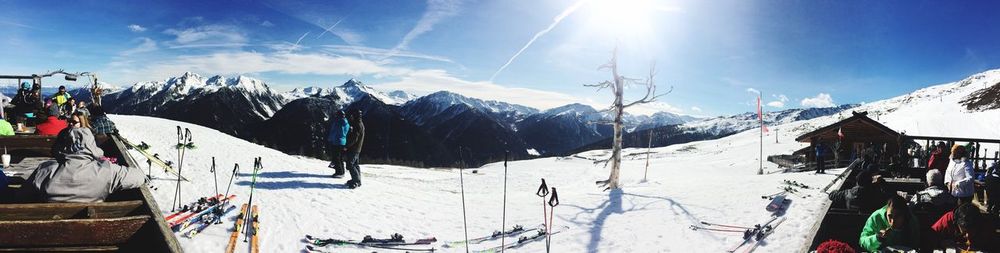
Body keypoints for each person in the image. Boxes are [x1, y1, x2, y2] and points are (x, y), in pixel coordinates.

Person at [18, 128, 146, 202]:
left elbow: (21, 197)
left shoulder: (46, 169)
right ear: (91, 145)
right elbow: (140, 177)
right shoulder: (108, 171)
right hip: (94, 231)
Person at [930, 203, 998, 251]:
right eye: (964, 232)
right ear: (956, 223)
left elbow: (992, 245)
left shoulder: (986, 225)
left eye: (971, 231)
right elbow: (930, 237)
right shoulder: (947, 220)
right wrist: (941, 243)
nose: (967, 235)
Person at [344, 109, 365, 189]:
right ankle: (357, 180)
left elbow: (354, 138)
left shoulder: (357, 124)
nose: (351, 117)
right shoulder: (360, 123)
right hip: (358, 148)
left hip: (354, 148)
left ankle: (356, 181)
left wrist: (347, 146)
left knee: (350, 164)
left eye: (353, 115)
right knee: (355, 164)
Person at [326, 110, 350, 178]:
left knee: (337, 157)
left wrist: (330, 139)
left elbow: (334, 132)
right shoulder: (346, 123)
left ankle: (339, 172)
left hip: (336, 141)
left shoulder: (338, 122)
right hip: (343, 141)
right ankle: (341, 172)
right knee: (340, 158)